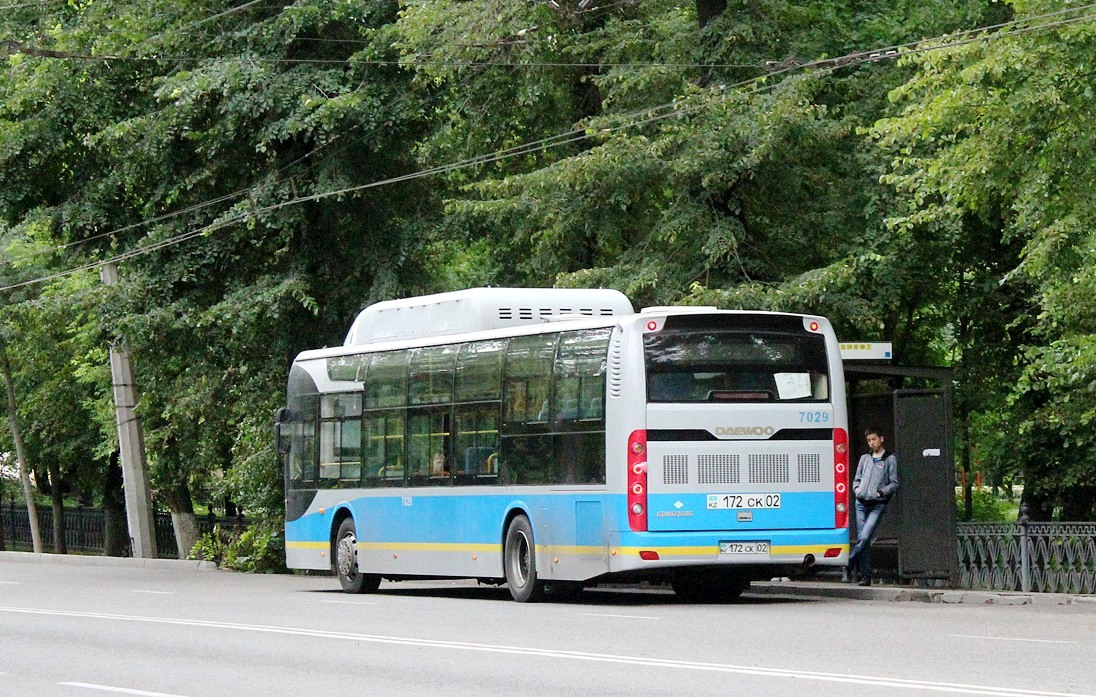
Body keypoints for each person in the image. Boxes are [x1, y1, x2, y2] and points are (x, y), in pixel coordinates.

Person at [844, 426, 899, 586]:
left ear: (881, 439)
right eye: (869, 440)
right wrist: (856, 489)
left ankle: (848, 564)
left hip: (877, 504)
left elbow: (894, 482)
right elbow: (857, 478)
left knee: (865, 536)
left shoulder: (889, 459)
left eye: (874, 439)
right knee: (863, 541)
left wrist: (881, 493)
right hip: (861, 502)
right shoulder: (865, 458)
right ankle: (866, 576)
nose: (872, 443)